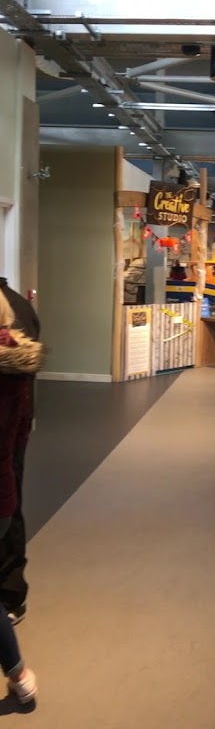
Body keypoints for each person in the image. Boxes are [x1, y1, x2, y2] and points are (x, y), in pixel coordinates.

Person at [0, 290, 38, 703]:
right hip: (5, 489)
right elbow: (22, 427)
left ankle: (19, 674)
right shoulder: (18, 367)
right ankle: (19, 676)